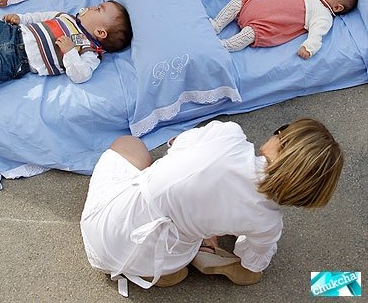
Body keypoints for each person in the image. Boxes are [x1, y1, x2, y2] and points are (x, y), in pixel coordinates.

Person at [80, 119, 343, 293]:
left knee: (130, 144)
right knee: (206, 217)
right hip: (163, 260)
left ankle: (190, 245)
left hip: (103, 230)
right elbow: (253, 267)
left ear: (281, 143)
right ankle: (200, 252)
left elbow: (176, 146)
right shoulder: (269, 222)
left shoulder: (228, 135)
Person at [0, 0, 133, 106]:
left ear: (101, 32)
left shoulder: (90, 52)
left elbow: (81, 75)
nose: (92, 7)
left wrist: (69, 52)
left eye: (98, 9)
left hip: (18, 60)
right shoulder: (66, 17)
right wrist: (21, 18)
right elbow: (41, 16)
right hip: (12, 33)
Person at [211, 0, 358, 56]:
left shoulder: (322, 14)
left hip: (265, 25)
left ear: (337, 7)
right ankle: (216, 24)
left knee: (250, 33)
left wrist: (309, 47)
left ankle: (225, 45)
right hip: (255, 6)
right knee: (238, 2)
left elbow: (317, 34)